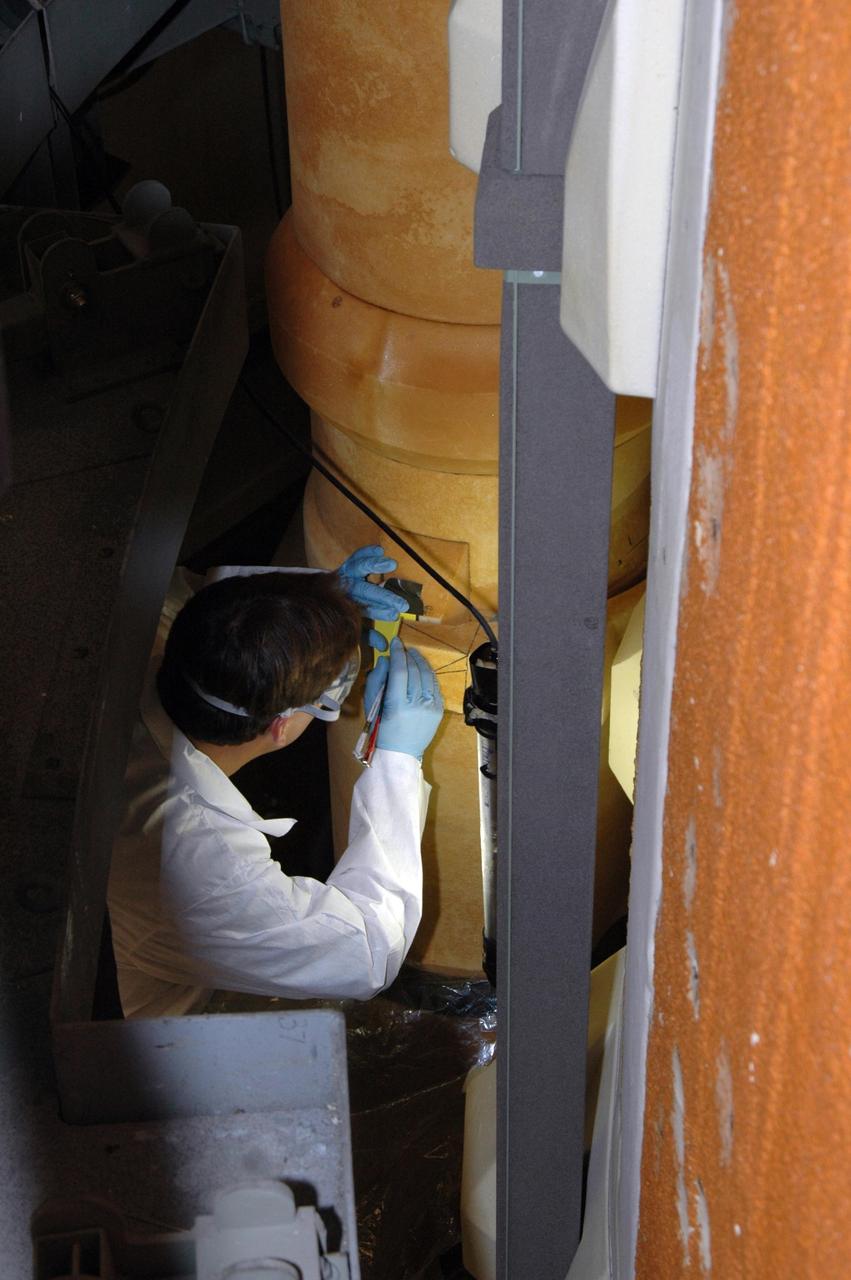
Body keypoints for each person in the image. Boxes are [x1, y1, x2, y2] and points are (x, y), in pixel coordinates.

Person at [107, 546, 444, 1018]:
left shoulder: (135, 632)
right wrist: (397, 761)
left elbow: (205, 599)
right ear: (280, 726)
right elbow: (367, 950)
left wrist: (314, 598)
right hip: (153, 1030)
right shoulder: (197, 866)